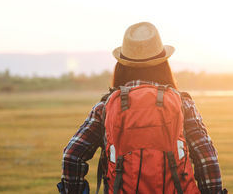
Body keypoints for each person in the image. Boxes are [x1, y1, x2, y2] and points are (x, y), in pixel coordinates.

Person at [60, 22, 224, 194]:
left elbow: (72, 156)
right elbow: (207, 159)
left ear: (122, 65)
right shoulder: (182, 104)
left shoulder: (106, 107)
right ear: (164, 64)